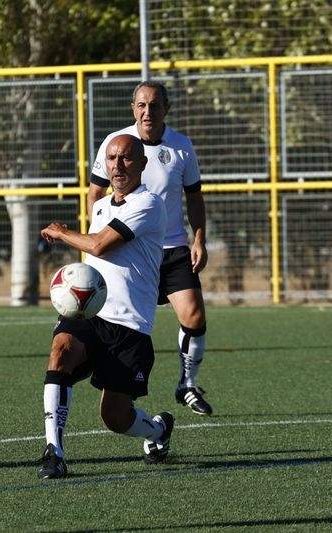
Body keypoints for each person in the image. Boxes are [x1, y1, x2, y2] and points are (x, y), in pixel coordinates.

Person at [38, 133, 172, 479]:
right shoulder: (99, 207)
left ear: (141, 164)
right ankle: (54, 451)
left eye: (126, 158)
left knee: (114, 417)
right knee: (61, 349)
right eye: (111, 159)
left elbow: (98, 245)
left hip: (130, 326)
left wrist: (61, 232)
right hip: (91, 313)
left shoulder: (150, 204)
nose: (117, 165)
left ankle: (157, 431)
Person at [88, 81, 213, 416]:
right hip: (129, 248)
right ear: (133, 108)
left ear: (166, 109)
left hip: (172, 249)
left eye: (154, 105)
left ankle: (187, 383)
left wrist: (198, 238)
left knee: (195, 316)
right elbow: (94, 194)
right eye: (141, 105)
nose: (147, 112)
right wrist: (95, 240)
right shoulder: (115, 144)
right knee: (117, 322)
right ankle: (113, 388)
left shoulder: (182, 148)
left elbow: (195, 198)